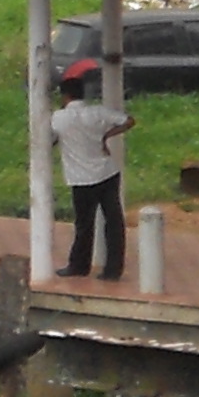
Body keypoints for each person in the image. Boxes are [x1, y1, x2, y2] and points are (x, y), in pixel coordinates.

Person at [53, 57, 131, 280]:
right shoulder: (98, 112)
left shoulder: (59, 119)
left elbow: (49, 139)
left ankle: (79, 266)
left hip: (81, 179)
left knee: (84, 224)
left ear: (65, 96)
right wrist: (106, 136)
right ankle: (113, 270)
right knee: (113, 221)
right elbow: (128, 120)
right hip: (107, 173)